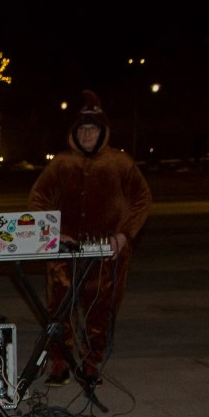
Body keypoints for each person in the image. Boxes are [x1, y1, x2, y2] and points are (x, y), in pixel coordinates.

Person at [28, 90, 152, 387]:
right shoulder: (60, 163)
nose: (87, 134)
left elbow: (142, 199)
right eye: (82, 129)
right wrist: (53, 233)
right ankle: (60, 359)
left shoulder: (121, 163)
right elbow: (38, 198)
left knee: (101, 309)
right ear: (74, 132)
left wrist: (124, 236)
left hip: (107, 251)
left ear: (102, 132)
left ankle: (92, 361)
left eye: (92, 129)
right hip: (66, 251)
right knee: (59, 308)